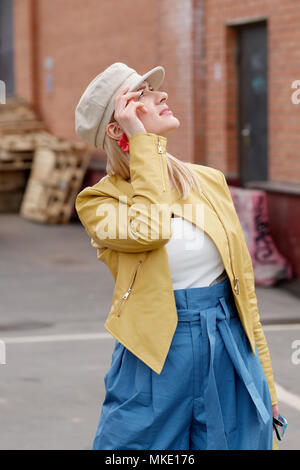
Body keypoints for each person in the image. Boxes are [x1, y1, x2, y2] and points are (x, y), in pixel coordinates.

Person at [74, 62, 279, 450]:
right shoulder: (97, 201)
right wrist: (142, 143)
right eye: (144, 94)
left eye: (156, 89)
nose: (162, 95)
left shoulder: (208, 180)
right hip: (156, 355)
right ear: (118, 126)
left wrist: (265, 379)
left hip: (228, 341)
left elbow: (244, 291)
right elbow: (150, 231)